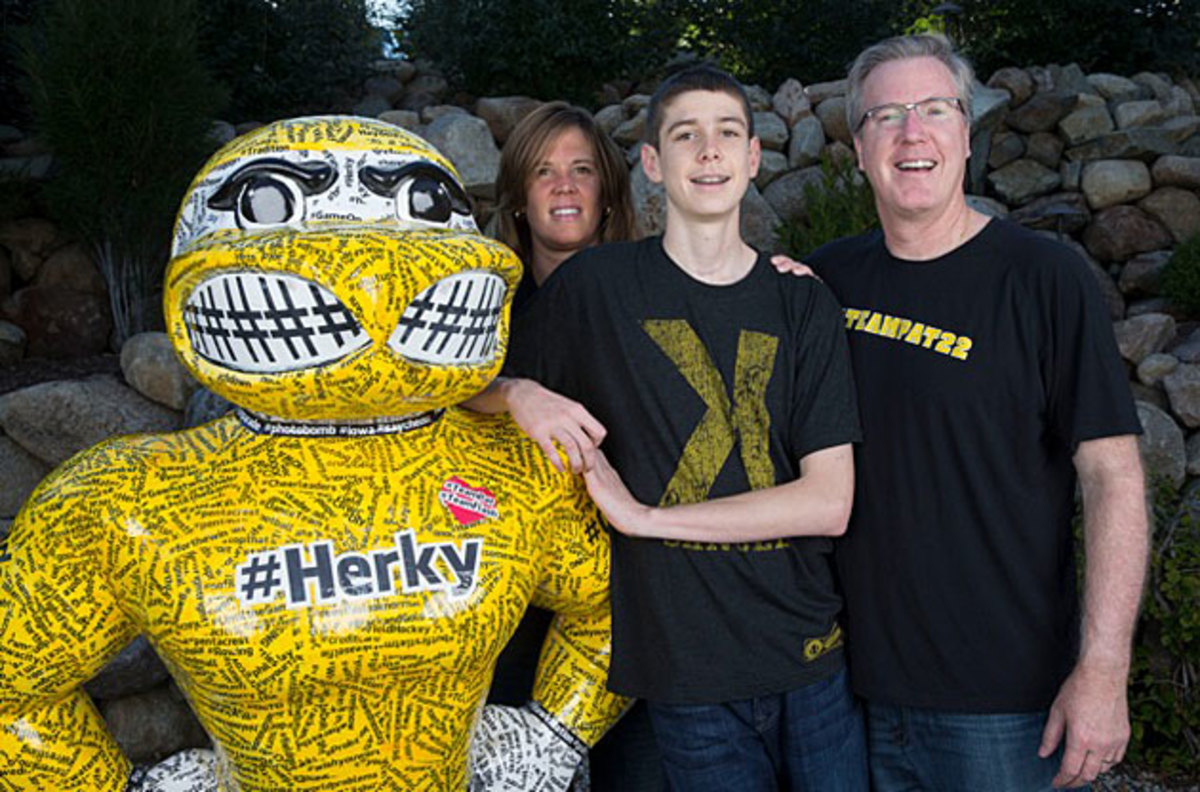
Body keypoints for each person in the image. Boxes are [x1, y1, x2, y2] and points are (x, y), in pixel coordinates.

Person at [472, 65, 867, 791]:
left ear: (754, 157)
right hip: (687, 675)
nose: (709, 151)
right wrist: (520, 392)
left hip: (809, 654)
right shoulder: (595, 289)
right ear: (652, 163)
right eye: (686, 135)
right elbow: (456, 387)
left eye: (727, 133)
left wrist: (645, 518)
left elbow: (828, 502)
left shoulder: (802, 302)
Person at [801, 34, 1148, 791]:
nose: (911, 133)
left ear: (966, 134)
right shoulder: (825, 281)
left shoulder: (1044, 278)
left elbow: (1113, 477)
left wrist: (1103, 669)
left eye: (934, 109)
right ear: (858, 150)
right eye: (886, 116)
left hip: (1004, 708)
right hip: (849, 696)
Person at [482, 101, 663, 792]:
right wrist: (513, 392)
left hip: (633, 592)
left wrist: (788, 281)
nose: (563, 186)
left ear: (608, 193)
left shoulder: (654, 291)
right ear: (519, 198)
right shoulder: (484, 309)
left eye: (582, 170)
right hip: (516, 595)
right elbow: (425, 386)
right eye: (543, 171)